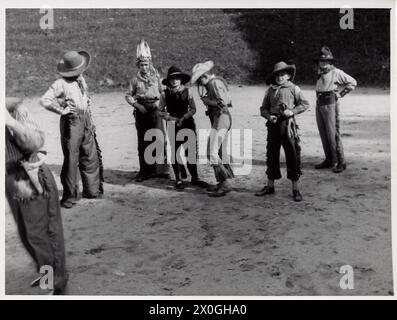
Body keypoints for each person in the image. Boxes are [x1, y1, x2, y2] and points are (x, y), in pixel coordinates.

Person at [5, 97, 68, 294]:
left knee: (41, 234)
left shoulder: (15, 109)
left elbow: (36, 141)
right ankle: (45, 274)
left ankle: (55, 281)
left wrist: (9, 121)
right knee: (26, 233)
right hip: (10, 178)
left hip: (29, 173)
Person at [40, 50, 103, 209]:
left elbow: (86, 101)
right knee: (71, 159)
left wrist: (91, 120)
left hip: (85, 120)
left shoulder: (81, 80)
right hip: (72, 122)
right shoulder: (60, 83)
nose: (79, 72)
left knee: (90, 155)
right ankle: (70, 196)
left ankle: (92, 190)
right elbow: (45, 100)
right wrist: (62, 110)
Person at [256, 61, 309, 202]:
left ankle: (295, 188)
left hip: (288, 126)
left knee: (292, 155)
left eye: (283, 75)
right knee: (271, 154)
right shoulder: (270, 90)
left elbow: (304, 104)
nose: (280, 77)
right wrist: (269, 116)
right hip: (273, 125)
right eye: (277, 75)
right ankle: (270, 186)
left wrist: (292, 111)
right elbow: (263, 109)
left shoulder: (294, 89)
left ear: (288, 76)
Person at [125, 39, 170, 182]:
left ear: (150, 64)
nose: (144, 67)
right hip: (142, 110)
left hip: (156, 110)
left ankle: (161, 170)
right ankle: (145, 171)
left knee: (159, 139)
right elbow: (128, 96)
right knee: (143, 141)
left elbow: (164, 93)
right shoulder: (134, 80)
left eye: (146, 64)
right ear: (138, 65)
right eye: (142, 65)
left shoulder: (157, 78)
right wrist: (138, 106)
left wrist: (159, 103)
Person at [158, 65, 209, 190]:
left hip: (187, 123)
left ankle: (195, 177)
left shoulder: (188, 92)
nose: (174, 81)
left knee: (190, 151)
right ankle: (179, 178)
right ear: (168, 80)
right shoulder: (165, 94)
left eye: (177, 78)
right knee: (175, 151)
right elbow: (160, 111)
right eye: (172, 79)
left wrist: (185, 117)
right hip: (172, 124)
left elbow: (193, 108)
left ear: (181, 80)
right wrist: (169, 118)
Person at [190, 61, 234, 197]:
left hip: (221, 118)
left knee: (212, 152)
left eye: (199, 79)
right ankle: (221, 182)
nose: (199, 83)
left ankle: (225, 183)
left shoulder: (214, 83)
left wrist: (207, 101)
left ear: (204, 76)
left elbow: (223, 102)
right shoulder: (214, 83)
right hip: (219, 118)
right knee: (216, 151)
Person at [313, 46, 357, 173]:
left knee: (333, 133)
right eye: (321, 61)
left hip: (330, 103)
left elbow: (352, 82)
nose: (323, 63)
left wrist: (341, 94)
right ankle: (330, 159)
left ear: (331, 62)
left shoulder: (336, 72)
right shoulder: (320, 72)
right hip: (319, 103)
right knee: (323, 132)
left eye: (326, 61)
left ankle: (341, 162)